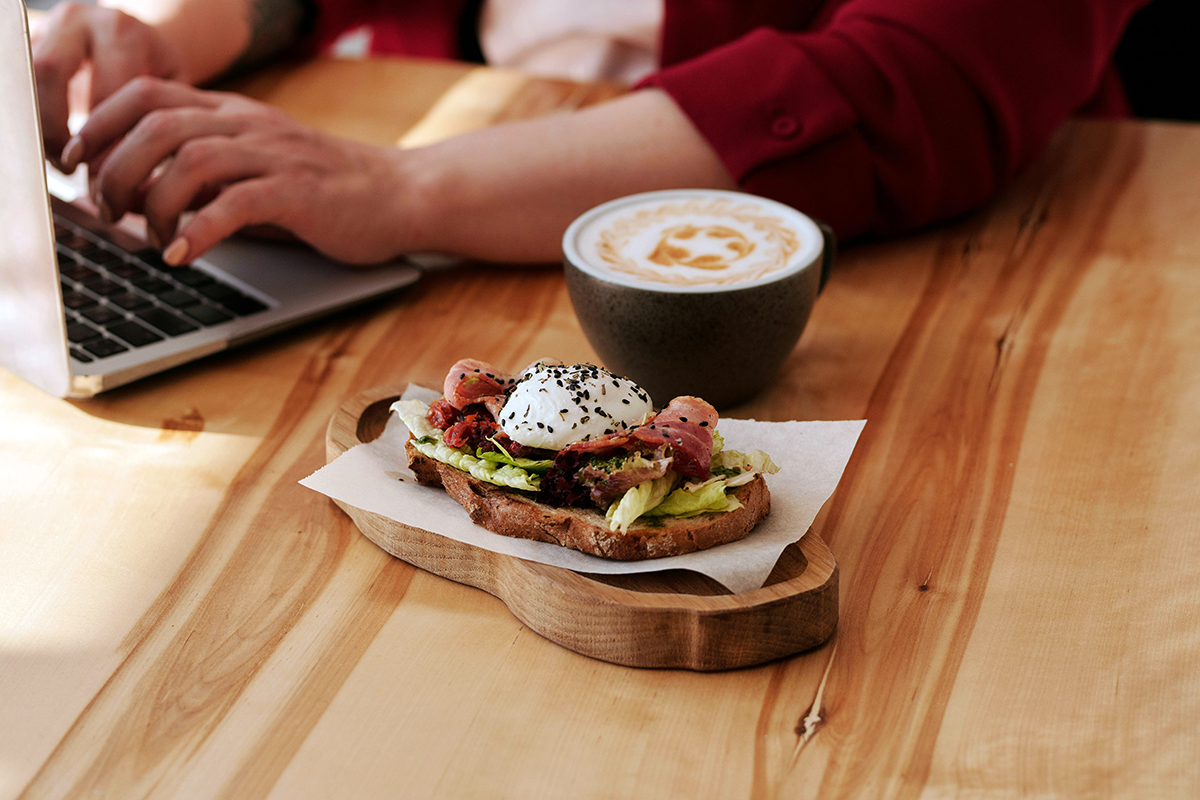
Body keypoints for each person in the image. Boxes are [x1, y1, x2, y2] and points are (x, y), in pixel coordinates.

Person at [31, 0, 1149, 267]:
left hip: (912, 275)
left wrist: (405, 190)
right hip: (424, 209)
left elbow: (920, 80)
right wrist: (169, 32)